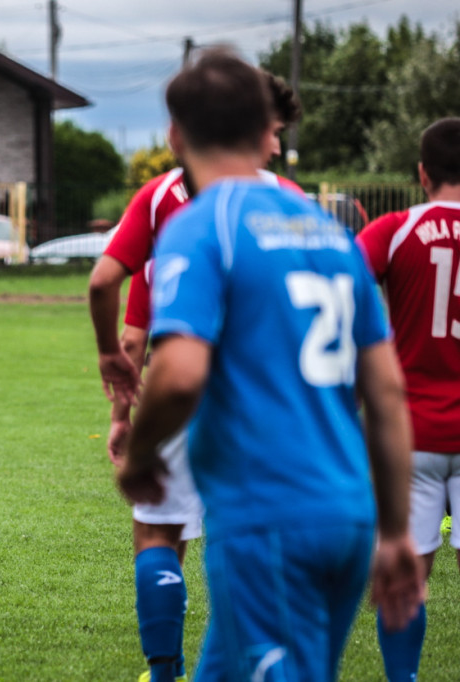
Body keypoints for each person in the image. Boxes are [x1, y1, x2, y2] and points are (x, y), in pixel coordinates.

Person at [118, 47, 424, 681]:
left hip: (269, 518)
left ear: (174, 136)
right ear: (267, 134)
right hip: (347, 511)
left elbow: (177, 376)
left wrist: (140, 455)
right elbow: (388, 394)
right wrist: (394, 531)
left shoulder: (204, 224)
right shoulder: (331, 234)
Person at [87, 71, 302, 682]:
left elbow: (113, 294)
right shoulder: (290, 200)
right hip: (268, 397)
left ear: (179, 134)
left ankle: (163, 671)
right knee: (248, 542)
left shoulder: (162, 198)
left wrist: (118, 404)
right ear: (264, 131)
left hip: (181, 382)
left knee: (159, 528)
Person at [355, 117, 460, 682]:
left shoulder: (393, 231)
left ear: (422, 173)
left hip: (408, 436)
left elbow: (339, 289)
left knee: (405, 577)